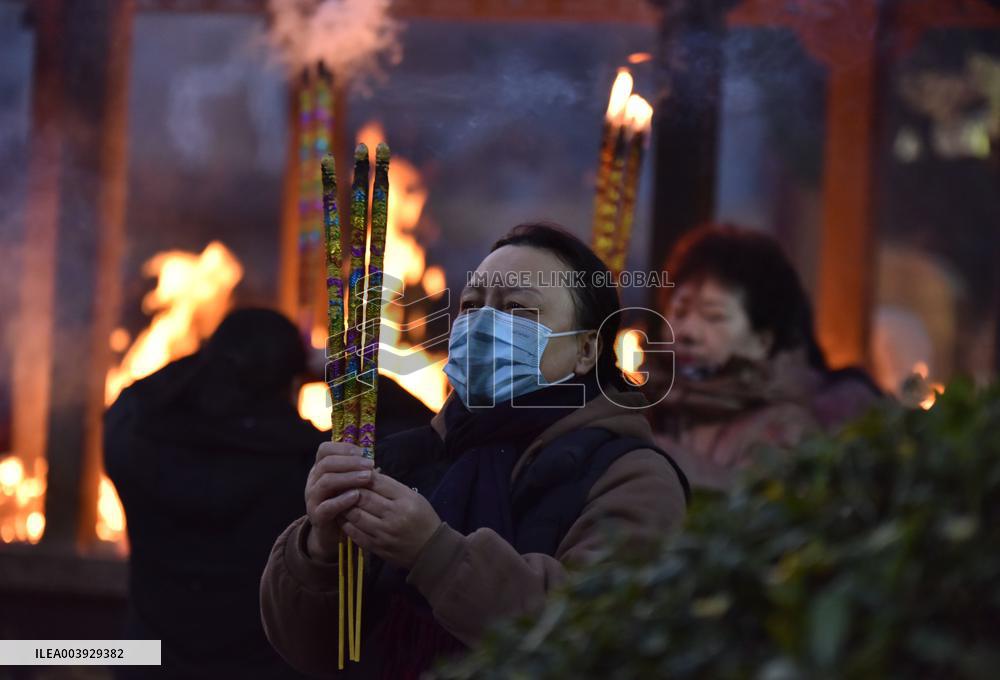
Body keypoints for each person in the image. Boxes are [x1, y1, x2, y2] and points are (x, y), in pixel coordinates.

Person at [259, 223, 689, 679]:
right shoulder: (406, 456)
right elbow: (311, 650)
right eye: (471, 305)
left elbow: (603, 638)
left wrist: (435, 554)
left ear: (585, 350)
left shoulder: (631, 475)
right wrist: (321, 546)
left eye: (517, 309)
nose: (484, 323)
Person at [105, 308, 326, 679]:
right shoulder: (307, 470)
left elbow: (132, 399)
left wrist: (212, 359)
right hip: (261, 669)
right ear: (292, 383)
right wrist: (336, 372)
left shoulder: (135, 443)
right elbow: (406, 435)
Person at [647, 224, 882, 490]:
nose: (688, 332)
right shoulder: (641, 407)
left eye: (714, 317)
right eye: (679, 312)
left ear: (761, 341)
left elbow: (760, 513)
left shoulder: (786, 429)